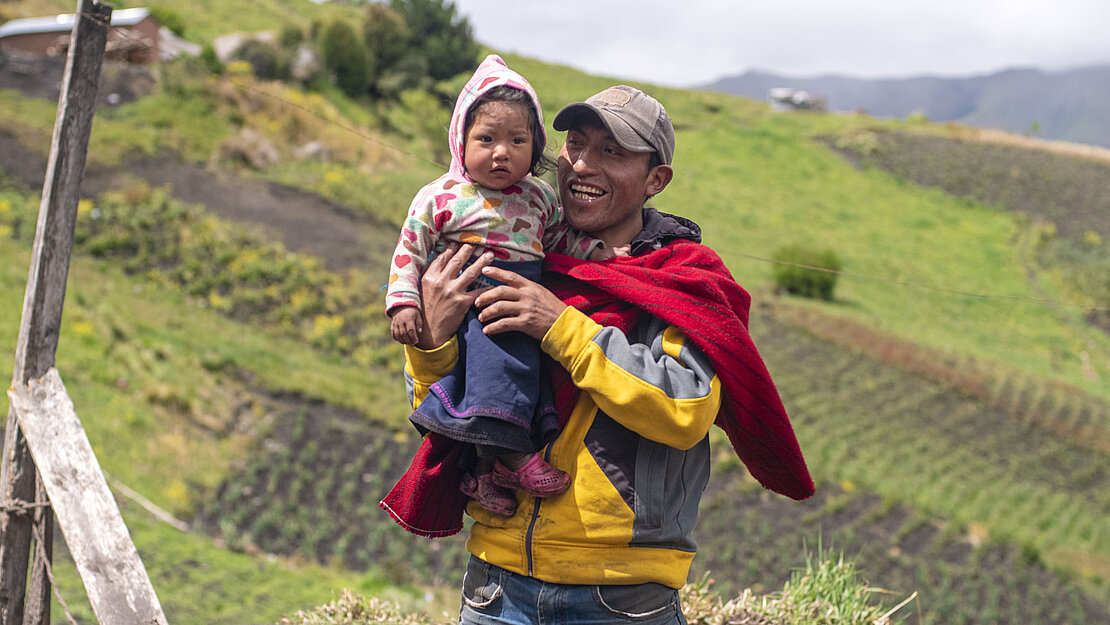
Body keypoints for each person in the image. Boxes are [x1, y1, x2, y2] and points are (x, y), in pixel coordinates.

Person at [381, 85, 814, 624]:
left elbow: (685, 410)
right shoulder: (518, 254)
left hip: (620, 596)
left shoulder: (681, 281)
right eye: (576, 144)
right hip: (496, 587)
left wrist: (559, 325)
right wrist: (433, 343)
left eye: (612, 152)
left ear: (656, 179)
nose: (582, 165)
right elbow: (444, 412)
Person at [385, 54, 621, 517]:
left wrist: (598, 254)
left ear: (535, 147)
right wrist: (404, 305)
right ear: (461, 140)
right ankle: (514, 458)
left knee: (525, 383)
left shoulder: (540, 197)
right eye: (486, 139)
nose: (501, 152)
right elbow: (408, 252)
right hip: (472, 298)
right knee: (494, 379)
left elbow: (560, 240)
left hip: (521, 292)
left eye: (518, 140)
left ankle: (484, 475)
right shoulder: (442, 197)